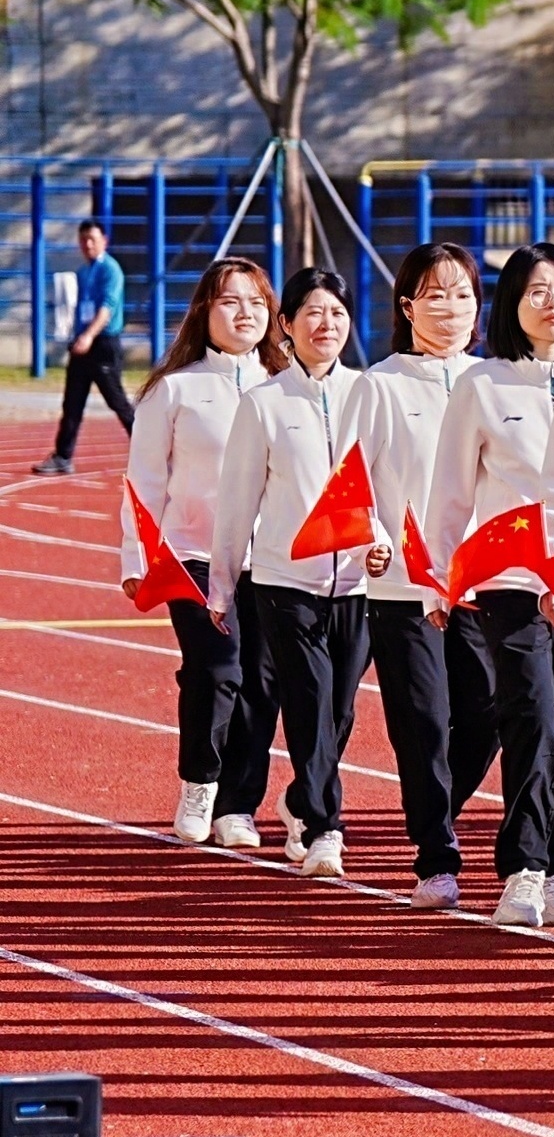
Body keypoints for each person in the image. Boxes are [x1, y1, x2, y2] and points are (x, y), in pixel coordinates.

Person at [429, 245, 554, 924]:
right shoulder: (485, 384)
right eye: (536, 291)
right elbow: (449, 491)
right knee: (534, 720)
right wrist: (441, 581)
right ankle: (523, 870)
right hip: (511, 580)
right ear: (512, 305)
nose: (553, 302)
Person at [211, 265, 371, 879]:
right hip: (284, 580)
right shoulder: (265, 404)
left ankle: (304, 797)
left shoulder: (368, 393)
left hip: (356, 582)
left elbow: (382, 488)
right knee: (308, 699)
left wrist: (379, 542)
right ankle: (326, 827)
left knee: (339, 711)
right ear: (287, 326)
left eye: (337, 313)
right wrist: (223, 585)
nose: (326, 324)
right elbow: (237, 502)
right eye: (313, 312)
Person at [345, 242, 484, 909]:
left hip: (483, 584)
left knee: (487, 711)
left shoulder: (492, 381)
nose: (451, 309)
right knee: (424, 720)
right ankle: (436, 855)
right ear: (406, 306)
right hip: (402, 581)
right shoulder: (382, 384)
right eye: (435, 295)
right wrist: (371, 537)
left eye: (462, 295)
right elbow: (354, 480)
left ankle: (438, 808)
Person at [132, 258, 284, 848]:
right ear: (204, 311)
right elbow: (143, 482)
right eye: (230, 301)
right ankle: (201, 780)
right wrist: (134, 559)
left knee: (263, 682)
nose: (245, 313)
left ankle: (239, 806)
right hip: (193, 554)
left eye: (255, 302)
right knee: (217, 670)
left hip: (271, 557)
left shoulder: (288, 384)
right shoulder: (175, 389)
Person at [43, 218, 133, 473]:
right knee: (72, 402)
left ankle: (151, 451)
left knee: (118, 402)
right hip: (83, 344)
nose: (87, 244)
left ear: (104, 241)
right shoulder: (84, 271)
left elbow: (108, 307)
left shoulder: (111, 270)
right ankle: (63, 456)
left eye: (92, 239)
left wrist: (90, 335)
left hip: (102, 344)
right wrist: (74, 334)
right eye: (83, 239)